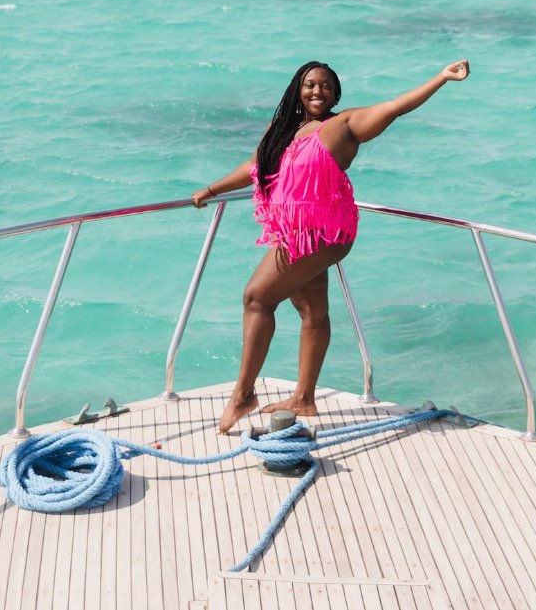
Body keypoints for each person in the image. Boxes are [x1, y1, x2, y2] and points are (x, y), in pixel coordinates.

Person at [192, 58, 470, 433]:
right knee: (312, 311)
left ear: (336, 93)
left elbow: (395, 107)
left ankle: (243, 395)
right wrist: (212, 190)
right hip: (294, 233)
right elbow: (256, 166)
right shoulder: (284, 129)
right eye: (310, 84)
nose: (317, 91)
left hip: (324, 235)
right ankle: (304, 399)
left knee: (257, 298)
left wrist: (440, 78)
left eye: (325, 85)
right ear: (297, 89)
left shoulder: (344, 125)